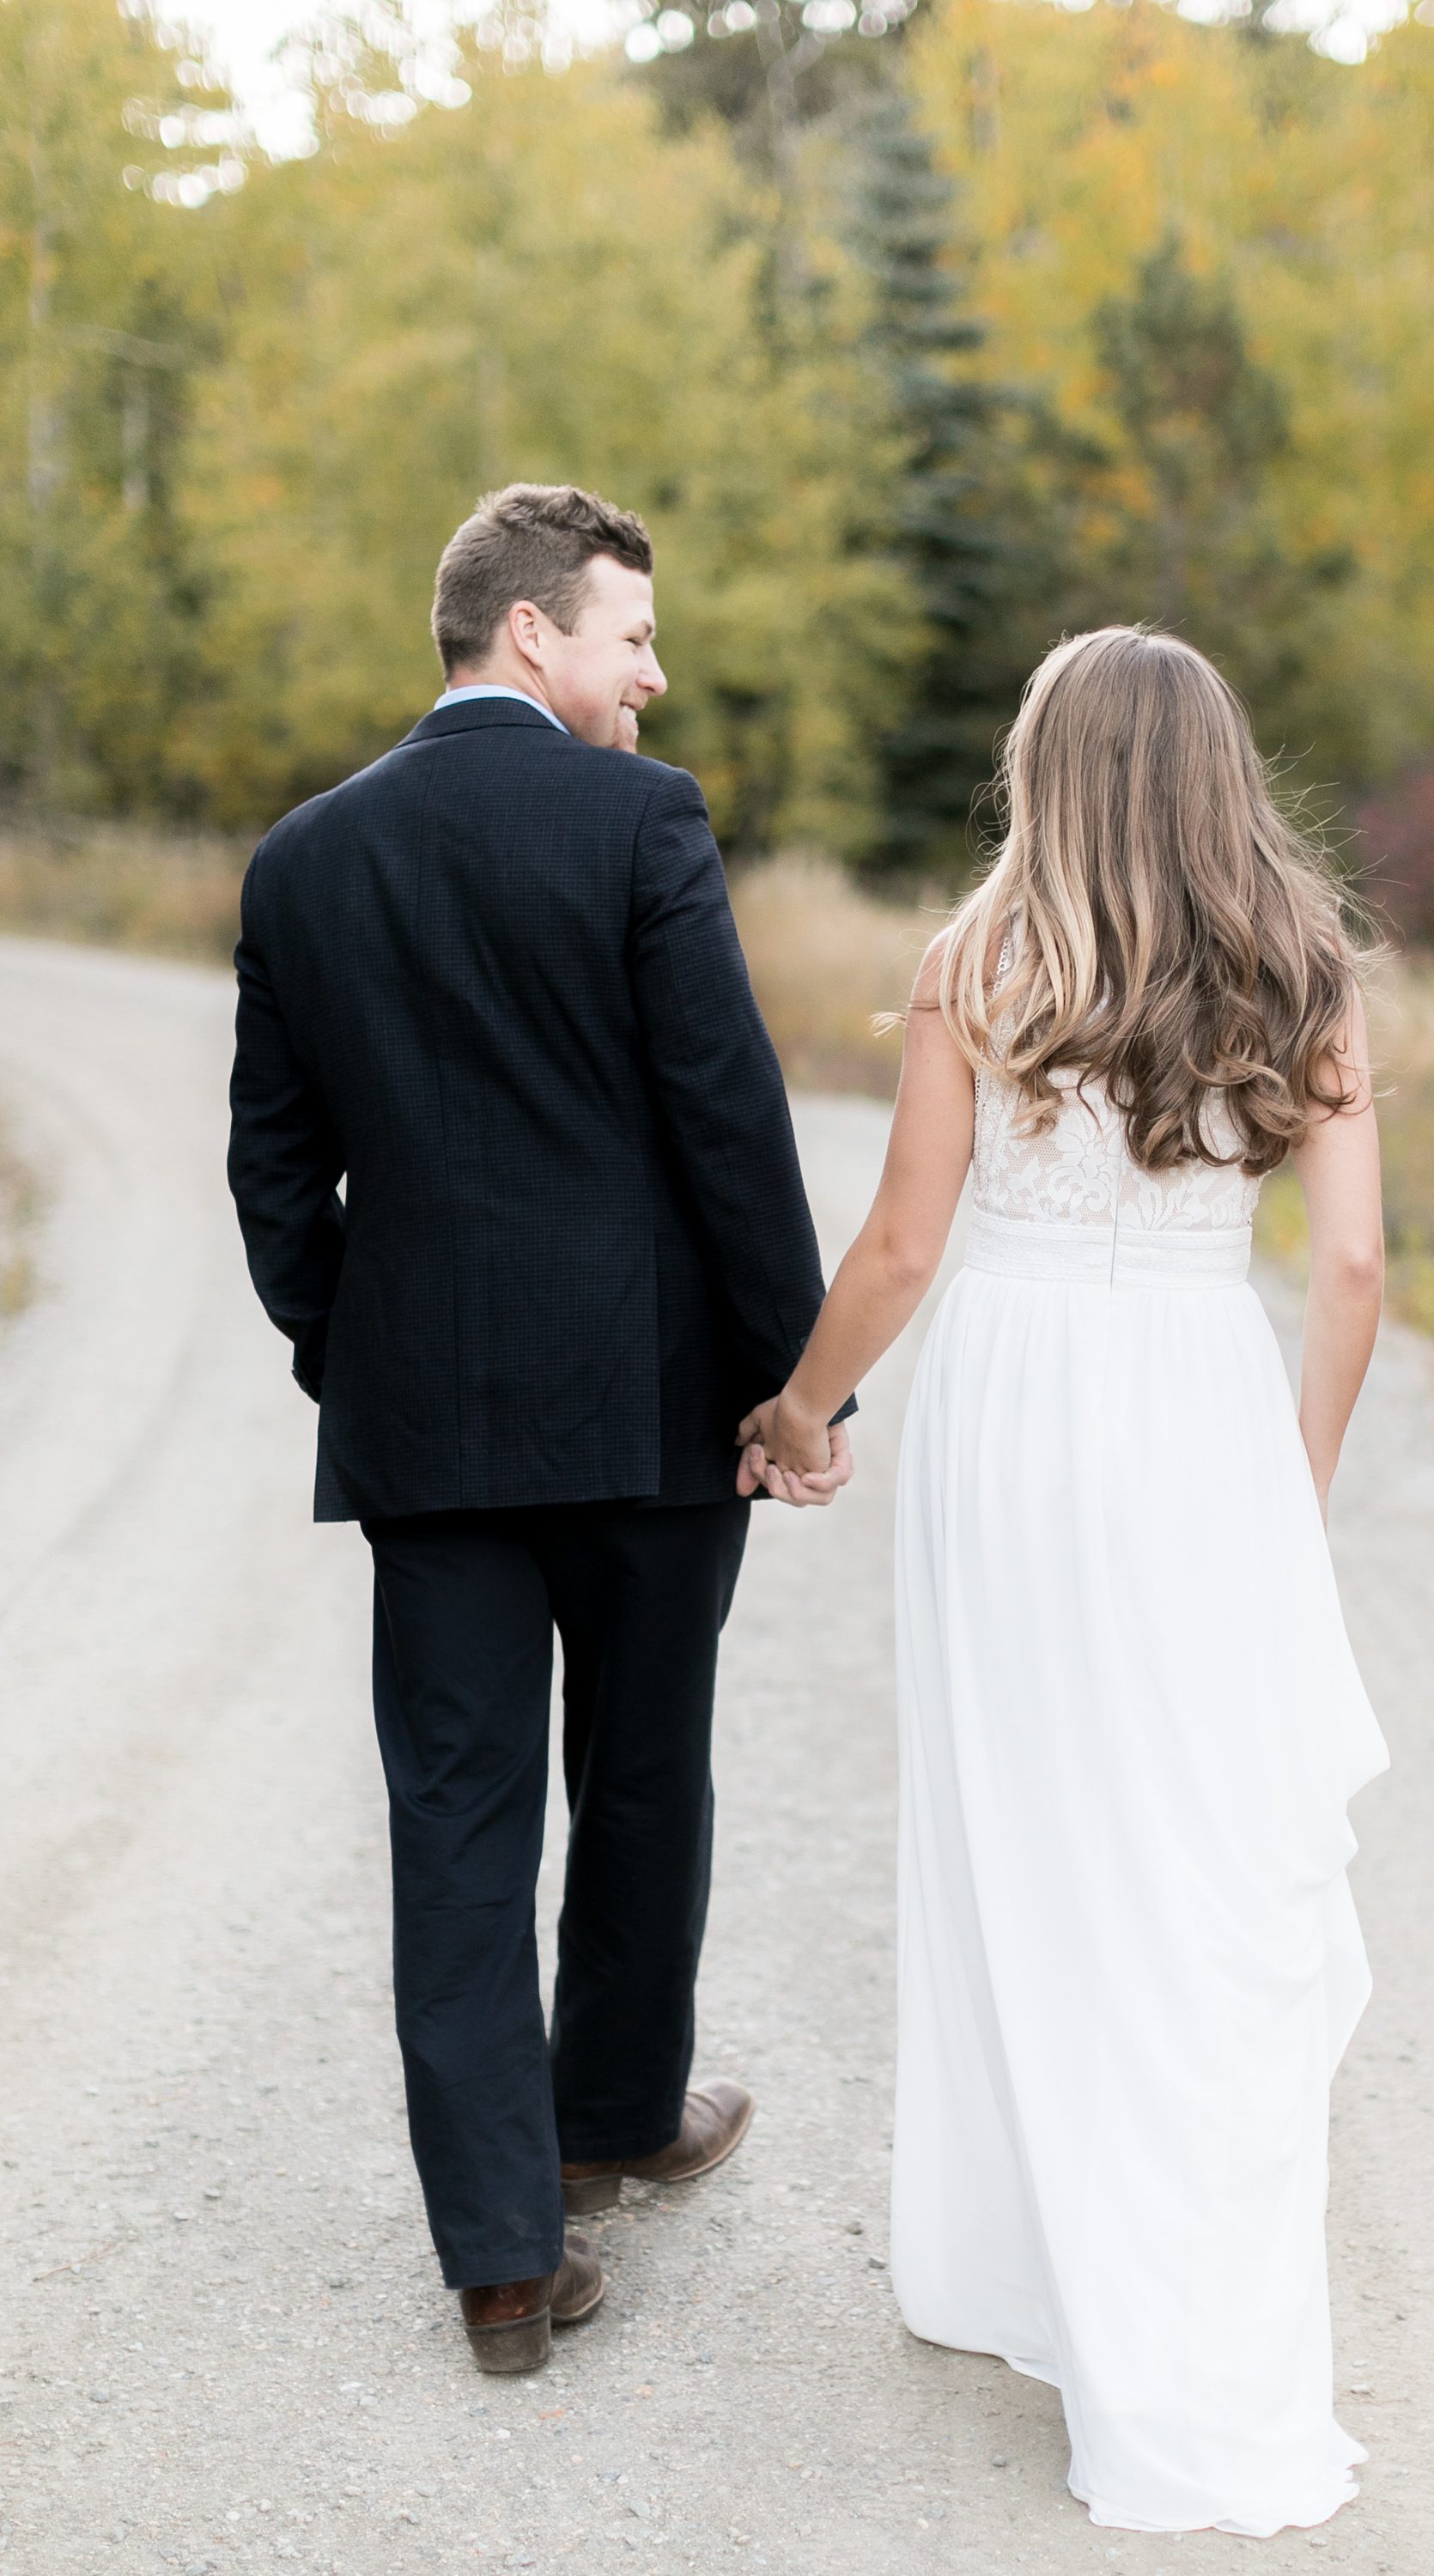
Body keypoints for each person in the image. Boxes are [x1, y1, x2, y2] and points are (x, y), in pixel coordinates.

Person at [738, 627, 1389, 2535]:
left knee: (1023, 1830)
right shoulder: (1307, 965)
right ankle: (1182, 2287)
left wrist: (796, 1405)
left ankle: (1023, 2262)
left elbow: (902, 1242)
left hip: (1014, 1419)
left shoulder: (982, 961)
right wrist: (1295, 1497)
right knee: (1192, 1855)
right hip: (1197, 1411)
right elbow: (1346, 1278)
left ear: (1046, 767)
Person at [228, 482, 849, 2376]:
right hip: (655, 1419)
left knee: (458, 1823)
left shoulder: (304, 861)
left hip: (431, 1438)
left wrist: (366, 1360)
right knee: (646, 1776)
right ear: (530, 634)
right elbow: (726, 1126)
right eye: (632, 637)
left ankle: (503, 2259)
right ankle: (616, 2115)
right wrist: (790, 1382)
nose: (654, 679)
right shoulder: (639, 823)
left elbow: (274, 1175)